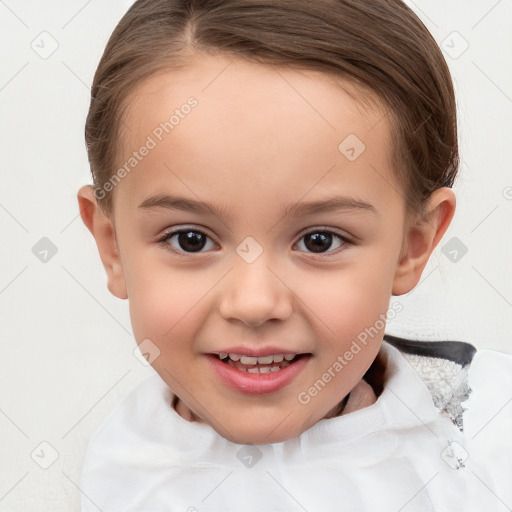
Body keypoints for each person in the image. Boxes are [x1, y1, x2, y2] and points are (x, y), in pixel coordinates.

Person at [77, 0, 512, 510]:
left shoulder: (486, 438)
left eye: (319, 240)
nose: (254, 303)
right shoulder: (119, 469)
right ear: (113, 247)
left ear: (412, 245)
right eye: (190, 239)